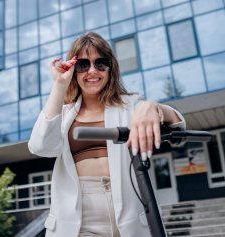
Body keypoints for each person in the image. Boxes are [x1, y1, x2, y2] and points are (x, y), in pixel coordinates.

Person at [28, 32, 186, 237]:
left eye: (100, 63)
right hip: (79, 222)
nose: (92, 71)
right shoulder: (63, 114)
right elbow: (41, 146)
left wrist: (154, 108)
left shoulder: (131, 105)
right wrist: (59, 85)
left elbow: (180, 129)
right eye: (83, 65)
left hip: (131, 216)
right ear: (74, 70)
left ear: (111, 68)